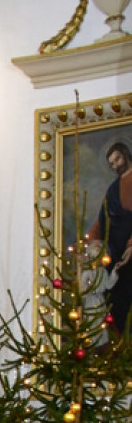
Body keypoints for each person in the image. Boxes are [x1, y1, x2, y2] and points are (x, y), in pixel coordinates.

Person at [85, 141, 132, 336]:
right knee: (116, 301)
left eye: (117, 159)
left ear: (126, 154)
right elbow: (103, 218)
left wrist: (131, 244)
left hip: (129, 249)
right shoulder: (113, 189)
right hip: (116, 252)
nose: (115, 165)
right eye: (112, 163)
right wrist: (92, 238)